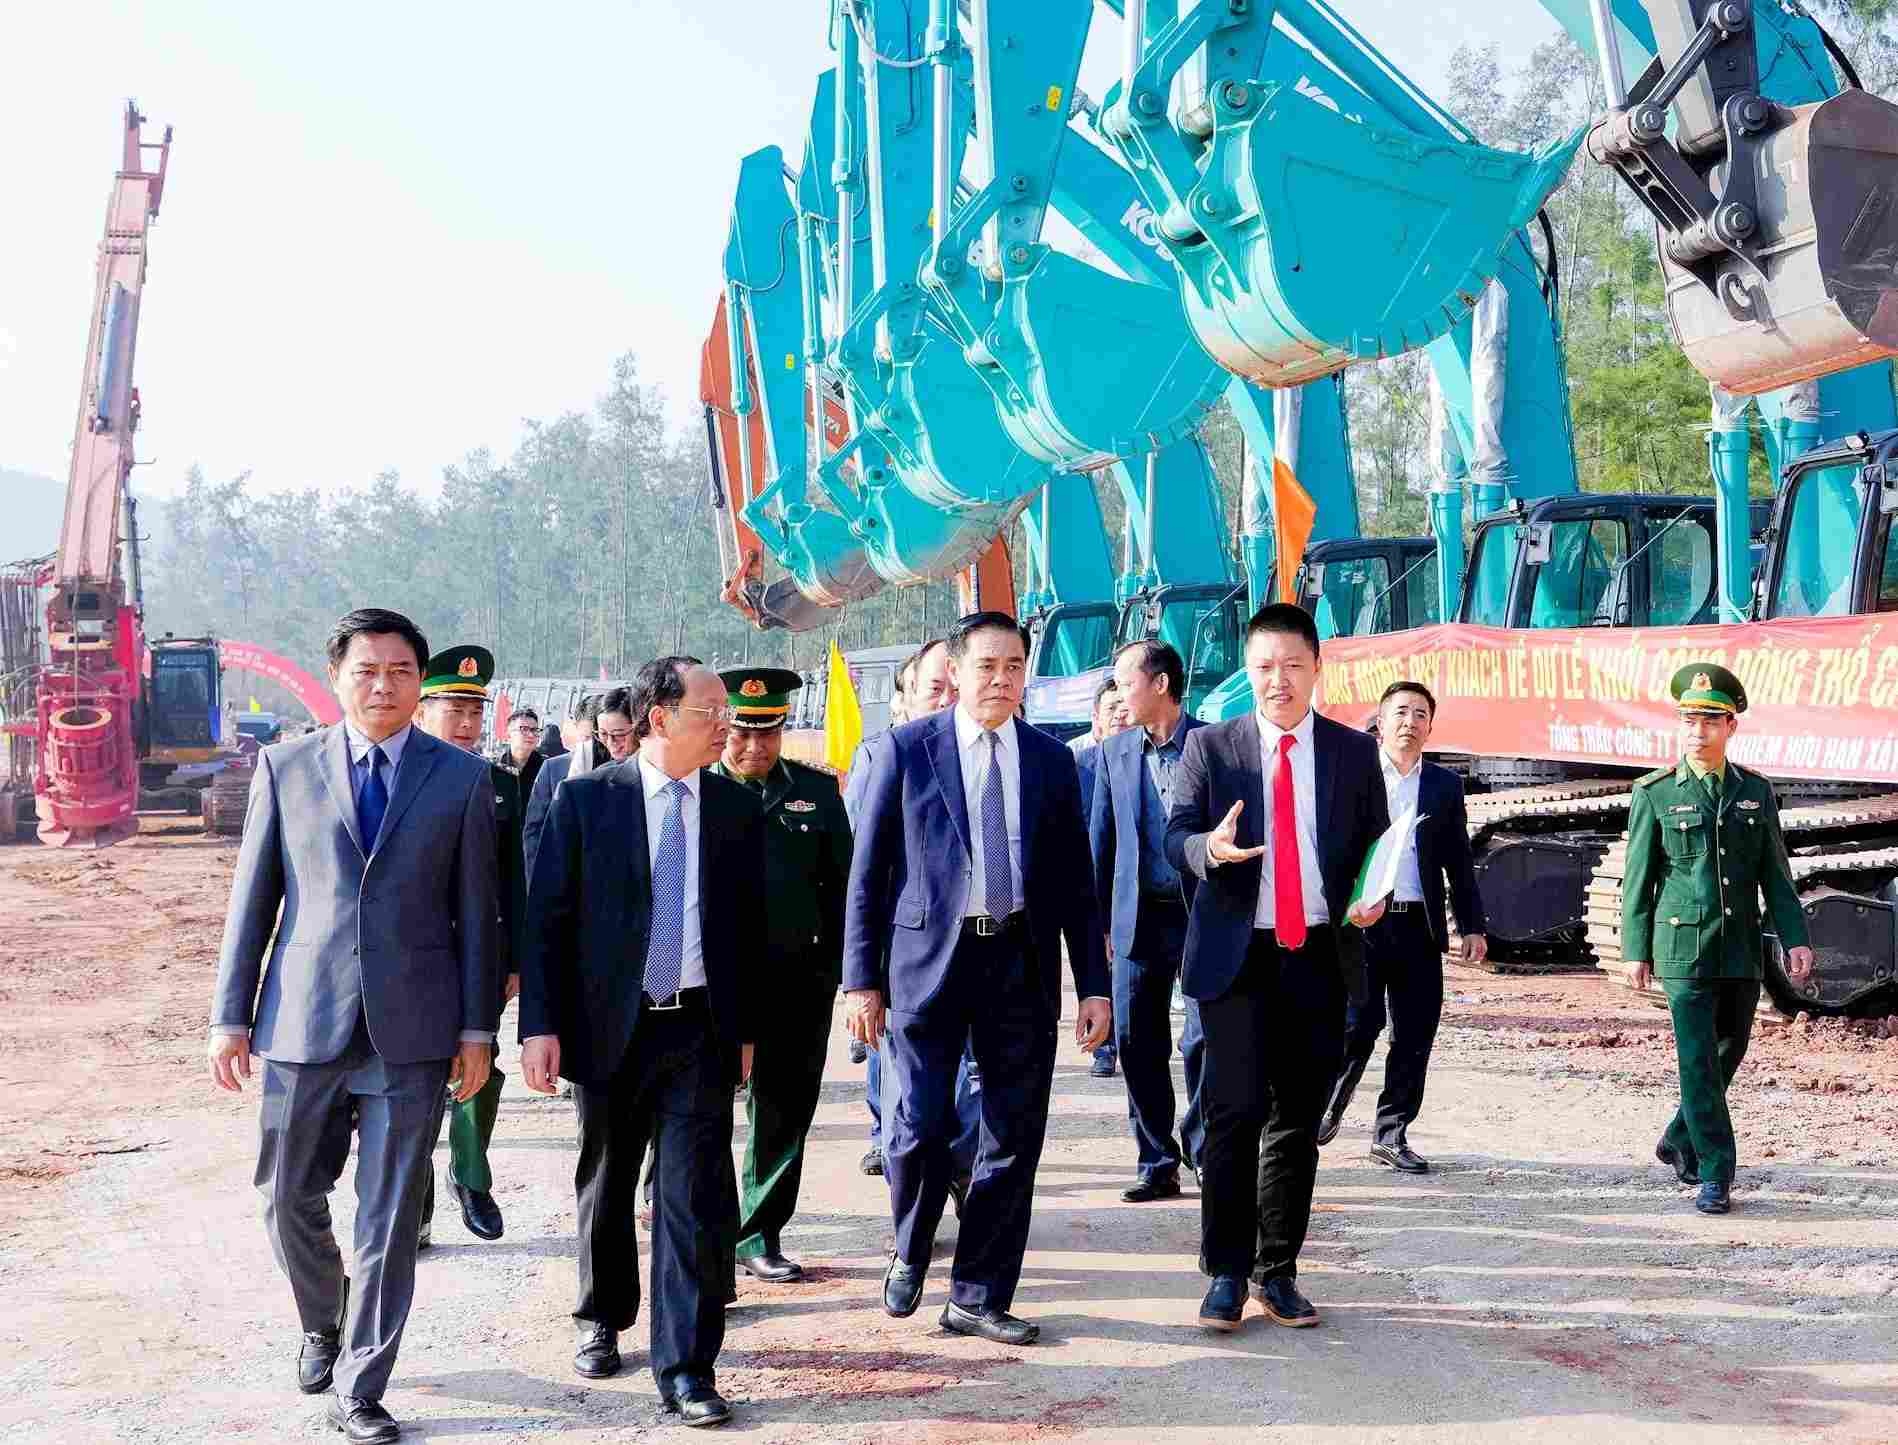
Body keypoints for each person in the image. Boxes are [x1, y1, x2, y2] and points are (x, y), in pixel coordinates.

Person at [207, 608, 499, 1445]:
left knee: (389, 1215)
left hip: (414, 1030)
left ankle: (362, 1385)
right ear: (336, 677)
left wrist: (478, 1029)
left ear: (420, 681)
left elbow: (478, 915)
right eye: (368, 670)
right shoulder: (285, 765)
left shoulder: (460, 778)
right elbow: (253, 900)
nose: (384, 685)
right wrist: (232, 1013)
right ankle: (323, 1319)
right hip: (303, 1020)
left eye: (401, 671)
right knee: (285, 1193)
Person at [845, 610, 1110, 1346]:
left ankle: (980, 1292)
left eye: (1014, 666)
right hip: (926, 966)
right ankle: (910, 1244)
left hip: (1018, 961)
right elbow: (867, 878)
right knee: (922, 1124)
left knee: (1012, 1134)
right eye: (987, 665)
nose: (1001, 679)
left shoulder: (1053, 761)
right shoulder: (905, 750)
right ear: (956, 671)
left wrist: (1094, 983)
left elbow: (1075, 883)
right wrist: (860, 981)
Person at [518, 656, 763, 1428]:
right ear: (660, 717)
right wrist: (539, 1028)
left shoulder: (733, 808)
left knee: (691, 1197)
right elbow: (547, 919)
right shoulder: (589, 800)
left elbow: (748, 929)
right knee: (608, 1175)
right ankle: (603, 1311)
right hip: (605, 1027)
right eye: (712, 710)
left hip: (698, 1026)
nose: (728, 724)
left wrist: (747, 1029)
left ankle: (688, 1366)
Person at [1165, 603, 1388, 1335]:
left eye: (1292, 665)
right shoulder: (1212, 746)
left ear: (1317, 668)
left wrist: (1370, 899)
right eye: (1263, 666)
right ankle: (1226, 1271)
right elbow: (1175, 836)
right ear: (1247, 671)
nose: (1278, 680)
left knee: (1296, 1119)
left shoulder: (1354, 754)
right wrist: (1209, 850)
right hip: (1239, 959)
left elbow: (1373, 849)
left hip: (1319, 956)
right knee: (1232, 1113)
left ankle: (1278, 1268)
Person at [1622, 663, 1813, 1215]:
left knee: (1731, 1048)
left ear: (1732, 727)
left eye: (1709, 721)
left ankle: (1680, 1135)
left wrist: (1794, 937)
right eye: (1688, 720)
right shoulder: (1655, 793)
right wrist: (1636, 947)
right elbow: (1640, 877)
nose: (1696, 731)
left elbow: (1774, 874)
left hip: (1740, 947)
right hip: (1682, 948)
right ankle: (1716, 1172)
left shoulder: (1755, 791)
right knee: (1698, 1059)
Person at [713, 666, 853, 1283]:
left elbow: (843, 888)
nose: (753, 748)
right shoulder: (694, 789)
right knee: (701, 1114)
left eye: (767, 733)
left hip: (797, 982)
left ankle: (758, 1232)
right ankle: (699, 1232)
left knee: (784, 1110)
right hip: (711, 983)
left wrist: (850, 974)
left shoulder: (816, 794)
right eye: (743, 732)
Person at [1316, 681, 1488, 1173]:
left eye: (1419, 714)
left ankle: (1391, 1133)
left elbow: (1458, 859)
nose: (1408, 723)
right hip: (1361, 925)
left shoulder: (1442, 785)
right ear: (1380, 721)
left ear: (1430, 726)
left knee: (1414, 1035)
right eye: (1399, 713)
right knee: (1356, 1026)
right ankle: (1325, 1107)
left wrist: (1472, 925)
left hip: (1418, 926)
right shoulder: (1353, 774)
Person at [846, 638, 980, 1192]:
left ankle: (960, 1172)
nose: (947, 697)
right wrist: (860, 974)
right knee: (908, 1083)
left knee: (972, 1082)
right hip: (906, 952)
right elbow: (863, 869)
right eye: (935, 688)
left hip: (975, 951)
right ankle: (908, 1176)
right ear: (907, 694)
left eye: (955, 686)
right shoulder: (884, 754)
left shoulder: (991, 754)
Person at [411, 646, 524, 1246]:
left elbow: (516, 880)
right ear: (422, 710)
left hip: (481, 959)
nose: (465, 724)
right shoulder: (401, 777)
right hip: (416, 961)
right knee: (416, 1080)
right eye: (453, 709)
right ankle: (418, 1202)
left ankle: (470, 1175)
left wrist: (516, 960)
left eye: (474, 713)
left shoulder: (500, 784)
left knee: (482, 1069)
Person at [1090, 641, 1206, 1202]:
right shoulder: (1115, 755)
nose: (1117, 694)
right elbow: (1102, 843)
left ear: (1159, 685)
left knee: (1205, 1040)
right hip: (1137, 920)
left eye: (1124, 682)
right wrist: (1097, 929)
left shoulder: (1214, 745)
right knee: (1138, 1041)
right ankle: (1156, 1160)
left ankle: (1203, 1148)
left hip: (1202, 918)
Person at [1071, 677, 1128, 1079]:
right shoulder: (1080, 767)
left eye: (1126, 706)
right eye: (1112, 709)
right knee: (1101, 967)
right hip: (1095, 885)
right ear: (1096, 719)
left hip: (1141, 887)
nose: (1121, 715)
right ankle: (1103, 1047)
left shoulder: (1152, 758)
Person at [521, 692, 637, 885]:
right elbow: (535, 832)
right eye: (602, 735)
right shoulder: (554, 768)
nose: (609, 743)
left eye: (618, 734)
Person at [506, 708, 544, 799]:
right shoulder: (493, 768)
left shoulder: (546, 768)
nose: (531, 735)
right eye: (524, 729)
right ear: (508, 735)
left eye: (534, 730)